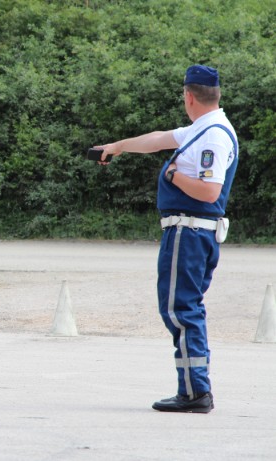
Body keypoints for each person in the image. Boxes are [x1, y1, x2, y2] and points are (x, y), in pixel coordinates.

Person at [95, 64, 239, 413]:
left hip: (189, 231)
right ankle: (194, 389)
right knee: (185, 308)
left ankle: (195, 392)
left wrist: (173, 176)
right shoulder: (202, 128)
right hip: (191, 232)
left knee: (181, 309)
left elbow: (209, 191)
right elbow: (159, 139)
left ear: (189, 96)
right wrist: (117, 147)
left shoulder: (212, 135)